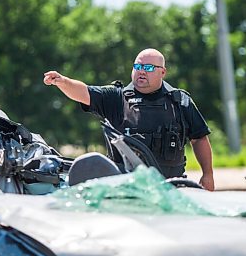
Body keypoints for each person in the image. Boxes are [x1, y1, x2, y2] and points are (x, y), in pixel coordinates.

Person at [43, 48, 215, 191]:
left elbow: (199, 138)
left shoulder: (180, 101)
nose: (141, 71)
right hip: (125, 189)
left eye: (148, 68)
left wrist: (207, 174)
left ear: (162, 72)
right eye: (137, 66)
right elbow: (84, 92)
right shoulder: (116, 98)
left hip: (171, 189)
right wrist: (63, 82)